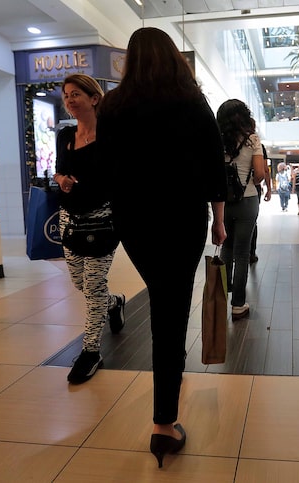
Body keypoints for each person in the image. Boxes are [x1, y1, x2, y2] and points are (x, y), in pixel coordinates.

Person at [94, 27, 226, 468]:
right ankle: (164, 422)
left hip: (135, 220)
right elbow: (213, 163)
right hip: (183, 217)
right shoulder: (191, 102)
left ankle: (167, 403)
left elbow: (106, 166)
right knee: (172, 310)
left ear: (130, 59)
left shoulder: (113, 106)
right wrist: (220, 220)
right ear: (174, 57)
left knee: (161, 304)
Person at [53, 74, 125, 385]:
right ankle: (115, 302)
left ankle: (91, 351)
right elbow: (58, 171)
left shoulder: (111, 136)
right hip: (70, 218)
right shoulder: (65, 135)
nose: (69, 100)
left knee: (94, 286)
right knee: (80, 283)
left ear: (94, 98)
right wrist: (62, 180)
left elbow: (120, 176)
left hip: (103, 219)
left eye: (76, 94)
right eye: (66, 95)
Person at [217, 99, 266, 319]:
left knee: (226, 248)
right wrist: (249, 181)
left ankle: (221, 297)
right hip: (247, 201)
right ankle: (238, 304)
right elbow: (260, 174)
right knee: (242, 253)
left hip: (223, 201)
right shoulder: (252, 140)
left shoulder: (218, 141)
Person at [248, 144, 272, 264]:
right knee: (252, 221)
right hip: (253, 188)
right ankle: (251, 252)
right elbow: (264, 170)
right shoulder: (257, 145)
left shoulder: (227, 138)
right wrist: (268, 189)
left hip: (232, 189)